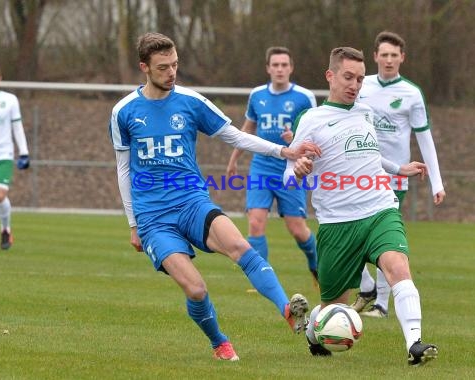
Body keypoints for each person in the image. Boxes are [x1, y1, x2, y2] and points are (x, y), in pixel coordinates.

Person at [108, 32, 320, 361]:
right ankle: (219, 342)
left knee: (241, 246)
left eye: (175, 64)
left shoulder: (191, 102)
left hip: (193, 202)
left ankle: (287, 310)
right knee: (196, 289)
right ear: (144, 68)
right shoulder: (124, 112)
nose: (171, 72)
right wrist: (134, 224)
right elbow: (123, 170)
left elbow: (235, 136)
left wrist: (285, 151)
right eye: (163, 67)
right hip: (154, 218)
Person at [284, 46, 438, 365]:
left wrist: (399, 168)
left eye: (360, 79)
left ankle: (416, 344)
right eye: (348, 77)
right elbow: (288, 175)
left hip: (380, 209)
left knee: (397, 266)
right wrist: (297, 169)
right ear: (331, 76)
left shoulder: (365, 112)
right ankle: (312, 330)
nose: (355, 85)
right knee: (331, 312)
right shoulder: (311, 119)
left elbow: (368, 155)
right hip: (338, 224)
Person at [351, 31, 446, 319]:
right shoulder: (361, 86)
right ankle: (366, 286)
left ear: (402, 58)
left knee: (383, 237)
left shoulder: (411, 93)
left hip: (395, 177)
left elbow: (425, 137)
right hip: (360, 171)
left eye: (395, 55)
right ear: (375, 56)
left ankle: (381, 303)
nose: (389, 60)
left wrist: (436, 182)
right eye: (385, 54)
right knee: (351, 230)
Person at [226, 46, 319, 284]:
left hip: (290, 169)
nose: (279, 69)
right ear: (268, 68)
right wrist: (234, 159)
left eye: (284, 65)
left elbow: (316, 134)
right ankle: (262, 280)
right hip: (261, 167)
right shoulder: (257, 95)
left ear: (291, 68)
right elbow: (247, 131)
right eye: (275, 65)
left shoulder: (304, 97)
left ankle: (316, 264)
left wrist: (295, 138)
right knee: (255, 223)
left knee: (298, 230)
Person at [0, 61, 30, 251]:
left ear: (0, 79)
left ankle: (5, 228)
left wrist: (24, 152)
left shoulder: (10, 100)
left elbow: (17, 126)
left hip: (3, 155)